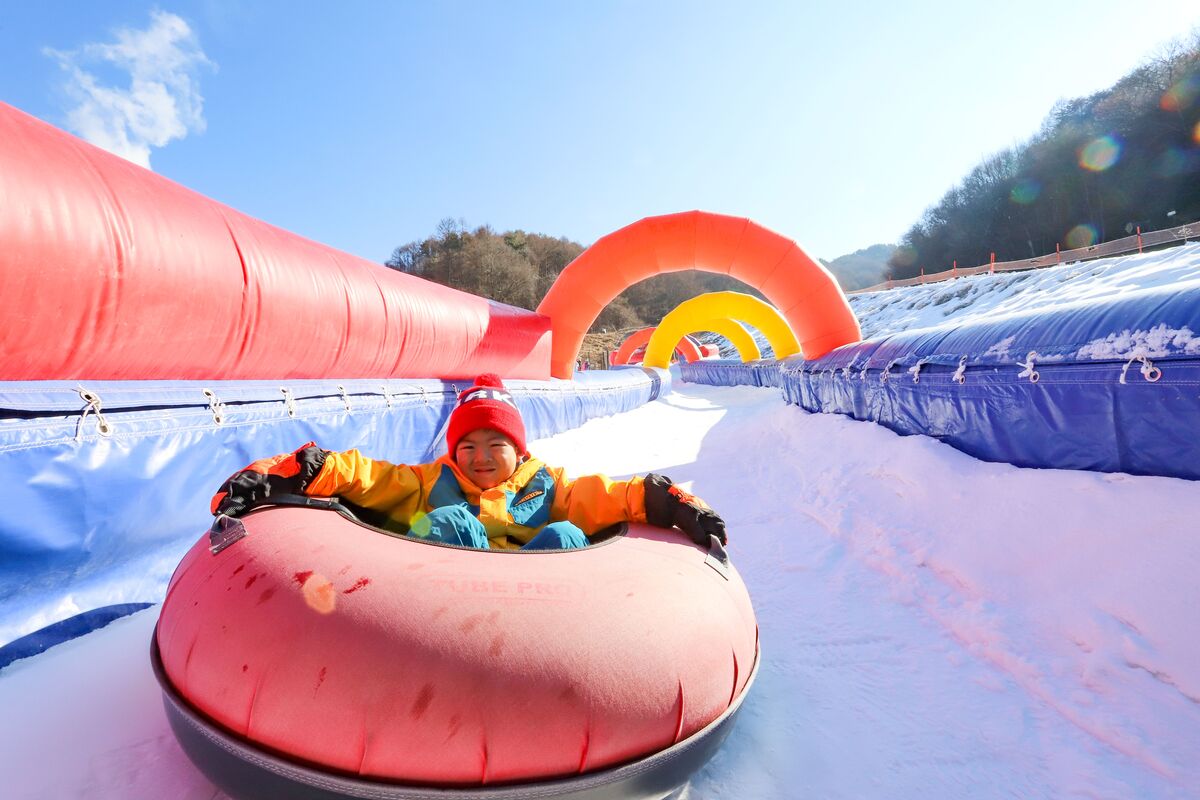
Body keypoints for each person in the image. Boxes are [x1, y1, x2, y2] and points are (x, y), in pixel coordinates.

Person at [211, 374, 726, 551]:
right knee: (452, 520)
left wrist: (663, 499)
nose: (480, 458)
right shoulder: (429, 481)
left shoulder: (548, 484)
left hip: (539, 604)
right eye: (467, 446)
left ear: (518, 449)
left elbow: (605, 497)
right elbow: (366, 476)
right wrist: (300, 470)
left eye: (494, 444)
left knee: (567, 534)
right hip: (443, 601)